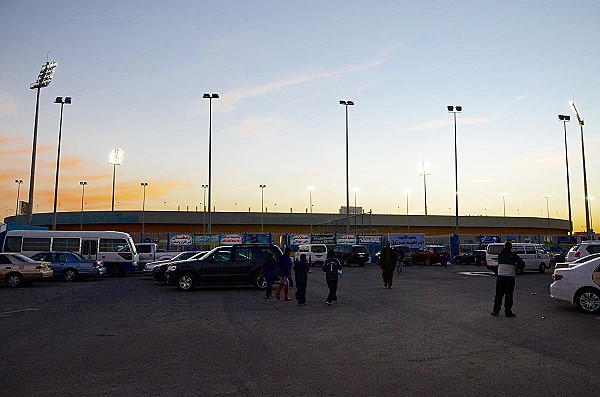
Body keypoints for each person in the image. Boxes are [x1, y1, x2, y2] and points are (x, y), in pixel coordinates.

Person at [492, 241, 524, 317]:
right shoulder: (513, 255)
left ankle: (496, 310)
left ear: (504, 247)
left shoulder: (500, 255)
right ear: (511, 247)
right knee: (509, 295)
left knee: (499, 294)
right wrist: (517, 268)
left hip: (500, 276)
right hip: (510, 276)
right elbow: (522, 263)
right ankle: (508, 311)